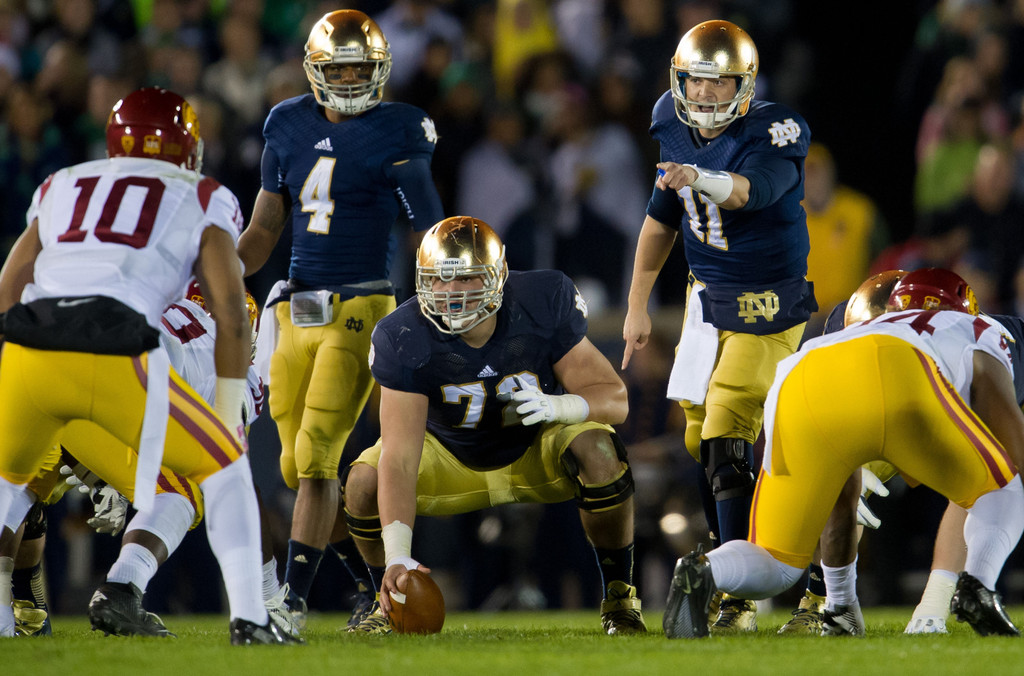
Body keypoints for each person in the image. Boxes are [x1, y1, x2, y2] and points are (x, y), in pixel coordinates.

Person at [0, 86, 296, 645]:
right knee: (216, 474)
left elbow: (9, 285)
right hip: (122, 365)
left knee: (10, 485)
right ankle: (253, 615)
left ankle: (8, 616)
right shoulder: (200, 199)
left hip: (30, 351)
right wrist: (225, 419)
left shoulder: (63, 181)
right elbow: (232, 316)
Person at [662, 267, 1024, 639]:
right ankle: (978, 587)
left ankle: (708, 570)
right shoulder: (978, 327)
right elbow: (1013, 445)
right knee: (1003, 490)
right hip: (899, 369)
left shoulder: (859, 324)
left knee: (776, 561)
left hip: (801, 376)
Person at [236, 8, 444, 633]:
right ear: (315, 70)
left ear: (379, 70)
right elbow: (264, 228)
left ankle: (289, 605)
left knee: (317, 456)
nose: (350, 80)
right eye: (340, 69)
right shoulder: (286, 122)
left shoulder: (398, 130)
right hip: (295, 309)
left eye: (360, 69)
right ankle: (369, 587)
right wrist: (214, 274)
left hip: (360, 305)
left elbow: (429, 229)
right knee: (294, 469)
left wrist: (433, 303)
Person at [343, 216, 646, 636]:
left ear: (497, 275)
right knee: (363, 481)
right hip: (451, 458)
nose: (451, 293)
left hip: (534, 448)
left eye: (466, 278)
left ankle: (619, 597)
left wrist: (560, 405)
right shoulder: (403, 333)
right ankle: (386, 598)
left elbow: (615, 398)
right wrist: (398, 555)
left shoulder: (541, 299)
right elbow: (399, 458)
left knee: (600, 449)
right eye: (439, 279)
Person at [621, 18, 815, 633]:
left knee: (729, 426)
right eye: (694, 80)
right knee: (699, 439)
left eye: (719, 81)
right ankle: (743, 564)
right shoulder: (669, 120)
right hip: (706, 299)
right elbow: (661, 218)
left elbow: (748, 192)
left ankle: (737, 597)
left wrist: (697, 176)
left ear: (745, 84)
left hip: (768, 301)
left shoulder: (777, 129)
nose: (704, 93)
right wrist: (636, 305)